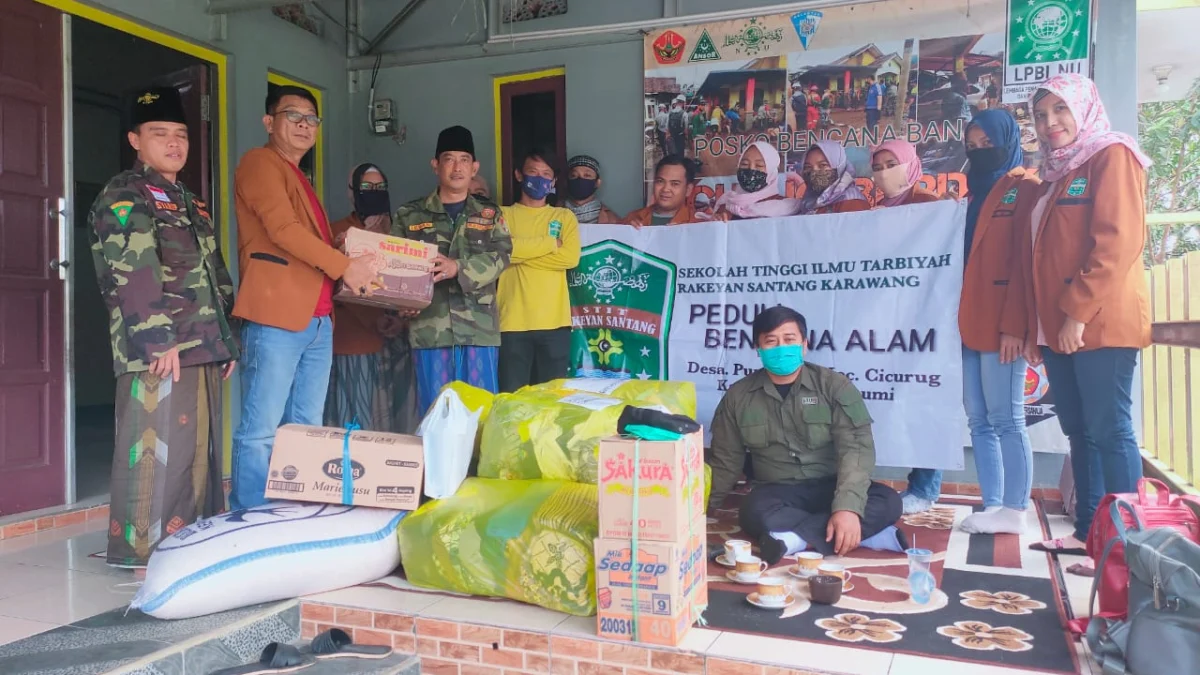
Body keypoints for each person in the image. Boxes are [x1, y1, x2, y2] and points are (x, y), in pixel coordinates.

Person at [88, 86, 238, 566]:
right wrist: (157, 339)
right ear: (135, 139)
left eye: (180, 135)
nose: (174, 144)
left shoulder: (188, 202)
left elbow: (214, 274)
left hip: (202, 345)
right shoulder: (124, 194)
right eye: (159, 134)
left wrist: (226, 340)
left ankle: (189, 544)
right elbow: (133, 269)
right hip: (160, 347)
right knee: (154, 452)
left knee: (196, 455)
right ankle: (141, 553)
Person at [229, 86, 376, 510]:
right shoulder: (259, 163)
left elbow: (304, 240)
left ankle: (294, 511)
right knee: (260, 430)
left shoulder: (296, 175)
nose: (302, 125)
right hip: (277, 313)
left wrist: (339, 243)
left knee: (306, 426)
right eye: (292, 115)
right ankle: (252, 516)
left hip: (317, 320)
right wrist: (345, 265)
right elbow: (282, 231)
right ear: (268, 122)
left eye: (311, 119)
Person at [1023, 74, 1152, 557]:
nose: (1050, 122)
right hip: (1060, 328)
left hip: (1098, 323)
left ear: (1083, 107)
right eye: (1041, 114)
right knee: (1079, 429)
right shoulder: (1056, 173)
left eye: (1060, 109)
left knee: (1110, 429)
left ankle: (1127, 548)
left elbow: (1116, 243)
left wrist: (1076, 313)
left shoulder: (1112, 156)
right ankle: (1089, 533)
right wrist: (1044, 326)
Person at [707, 306, 905, 562]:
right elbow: (726, 461)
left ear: (804, 345)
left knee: (888, 501)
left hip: (832, 486)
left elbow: (856, 450)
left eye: (789, 340)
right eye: (771, 341)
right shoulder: (738, 396)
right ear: (758, 349)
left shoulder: (834, 386)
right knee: (751, 511)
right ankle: (869, 535)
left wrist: (846, 508)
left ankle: (794, 539)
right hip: (779, 492)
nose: (781, 348)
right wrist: (698, 507)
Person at [948, 109, 1041, 533]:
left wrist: (1015, 326)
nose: (980, 150)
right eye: (973, 144)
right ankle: (993, 505)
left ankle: (1016, 509)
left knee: (1006, 416)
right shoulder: (971, 194)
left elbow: (1027, 264)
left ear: (1008, 139)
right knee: (978, 418)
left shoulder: (1025, 187)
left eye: (989, 142)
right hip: (969, 320)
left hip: (1002, 323)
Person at [393, 126, 513, 414]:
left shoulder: (489, 214)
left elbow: (501, 255)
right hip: (430, 330)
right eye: (449, 159)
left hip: (478, 330)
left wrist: (456, 267)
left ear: (474, 167)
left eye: (464, 159)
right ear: (436, 165)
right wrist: (402, 303)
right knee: (435, 413)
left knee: (481, 413)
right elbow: (393, 266)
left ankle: (477, 462)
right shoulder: (409, 215)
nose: (457, 167)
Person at [324, 164, 420, 434]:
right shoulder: (337, 233)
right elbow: (333, 286)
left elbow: (411, 284)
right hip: (354, 340)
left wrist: (402, 318)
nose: (374, 193)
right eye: (366, 187)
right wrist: (375, 319)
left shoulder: (398, 232)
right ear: (352, 192)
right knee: (354, 420)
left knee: (395, 421)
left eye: (380, 188)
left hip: (397, 343)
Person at [498, 150, 582, 391]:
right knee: (511, 401)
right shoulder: (502, 215)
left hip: (555, 325)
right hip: (511, 323)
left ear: (554, 181)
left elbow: (569, 257)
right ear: (518, 175)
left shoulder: (564, 217)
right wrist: (548, 244)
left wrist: (518, 253)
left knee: (551, 401)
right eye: (533, 172)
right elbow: (501, 253)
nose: (540, 178)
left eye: (546, 174)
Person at [713, 141, 802, 221]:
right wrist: (716, 222)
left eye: (759, 165)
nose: (751, 169)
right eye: (744, 164)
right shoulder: (725, 205)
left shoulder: (786, 208)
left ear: (772, 172)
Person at [794, 140, 870, 214]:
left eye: (823, 165)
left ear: (839, 167)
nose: (814, 171)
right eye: (808, 167)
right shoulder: (808, 200)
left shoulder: (853, 204)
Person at [624, 155, 701, 227]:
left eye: (675, 184)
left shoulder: (697, 223)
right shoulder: (633, 219)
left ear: (688, 190)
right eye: (660, 181)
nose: (665, 189)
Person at [870, 140, 938, 207]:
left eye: (891, 165)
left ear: (911, 166)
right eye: (878, 169)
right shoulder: (880, 205)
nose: (883, 175)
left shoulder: (927, 201)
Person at [562, 154, 620, 224]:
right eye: (574, 175)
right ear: (566, 182)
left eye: (587, 175)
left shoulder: (610, 219)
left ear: (597, 183)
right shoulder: (554, 212)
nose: (580, 179)